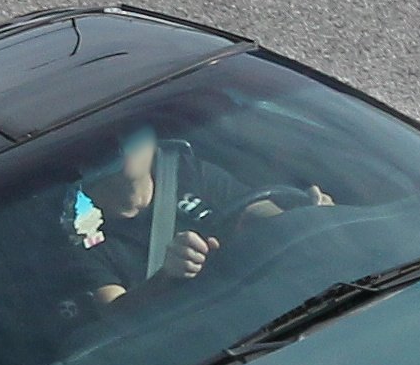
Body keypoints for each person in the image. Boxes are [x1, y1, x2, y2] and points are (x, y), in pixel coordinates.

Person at [66, 126, 333, 305]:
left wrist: (307, 218)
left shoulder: (187, 171)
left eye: (131, 130)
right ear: (84, 162)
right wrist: (167, 277)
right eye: (107, 142)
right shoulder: (81, 235)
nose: (124, 143)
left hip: (264, 302)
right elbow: (114, 316)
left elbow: (255, 210)